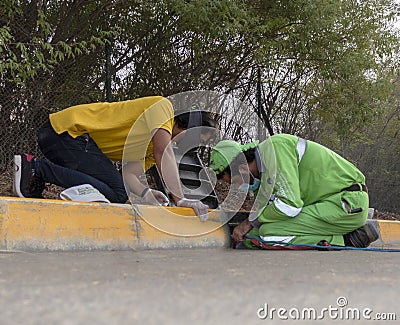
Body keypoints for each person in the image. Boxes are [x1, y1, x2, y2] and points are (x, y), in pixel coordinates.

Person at [13, 96, 214, 221]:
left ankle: (43, 177)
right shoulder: (163, 107)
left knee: (117, 192)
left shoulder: (151, 151)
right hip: (69, 132)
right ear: (190, 126)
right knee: (117, 193)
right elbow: (165, 151)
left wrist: (146, 193)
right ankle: (35, 168)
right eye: (194, 139)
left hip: (72, 144)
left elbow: (129, 177)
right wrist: (181, 199)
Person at [209, 134, 379, 248]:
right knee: (258, 234)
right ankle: (345, 227)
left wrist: (247, 224)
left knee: (269, 235)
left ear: (240, 168)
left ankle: (348, 239)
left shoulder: (274, 150)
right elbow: (264, 214)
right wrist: (247, 234)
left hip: (346, 204)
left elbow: (289, 206)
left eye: (233, 180)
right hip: (333, 204)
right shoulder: (265, 175)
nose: (235, 186)